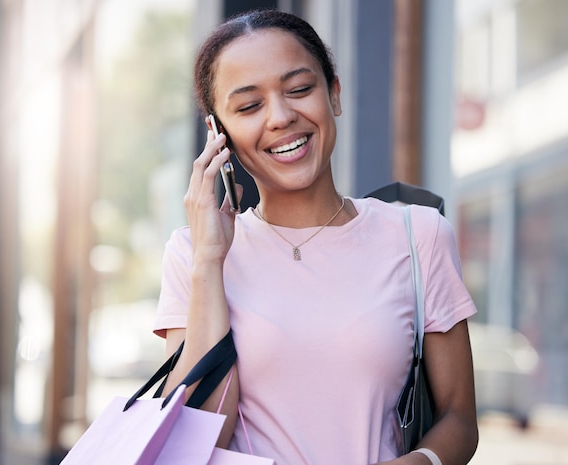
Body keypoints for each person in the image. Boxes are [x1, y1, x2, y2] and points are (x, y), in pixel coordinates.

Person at [154, 9, 478, 465]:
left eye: (300, 89)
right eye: (249, 106)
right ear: (218, 132)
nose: (282, 117)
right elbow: (196, 441)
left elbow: (459, 420)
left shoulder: (417, 235)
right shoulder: (191, 253)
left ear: (335, 94)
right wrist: (210, 261)